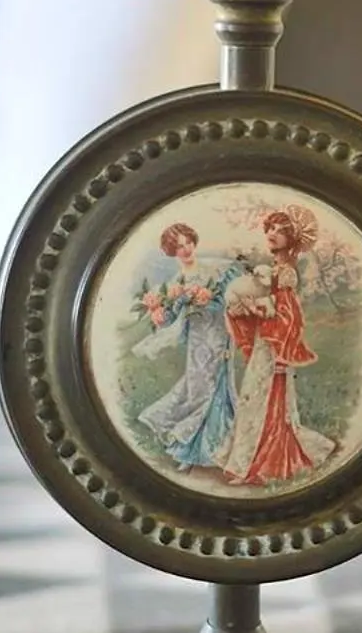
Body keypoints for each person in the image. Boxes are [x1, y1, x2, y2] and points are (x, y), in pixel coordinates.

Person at [223, 205, 340, 486]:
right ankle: (251, 463)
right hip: (265, 342)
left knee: (268, 401)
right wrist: (244, 310)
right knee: (254, 398)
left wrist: (263, 315)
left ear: (292, 240)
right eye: (271, 228)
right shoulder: (273, 269)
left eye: (280, 231)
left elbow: (289, 315)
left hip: (275, 345)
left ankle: (261, 466)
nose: (272, 234)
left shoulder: (285, 272)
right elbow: (268, 309)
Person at [133, 223, 237, 473]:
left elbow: (229, 302)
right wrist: (161, 312)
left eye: (188, 242)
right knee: (196, 389)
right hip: (197, 341)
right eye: (179, 247)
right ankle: (190, 448)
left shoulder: (215, 269)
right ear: (172, 251)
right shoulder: (175, 283)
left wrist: (208, 300)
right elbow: (171, 318)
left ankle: (216, 450)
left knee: (215, 389)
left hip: (219, 334)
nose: (186, 249)